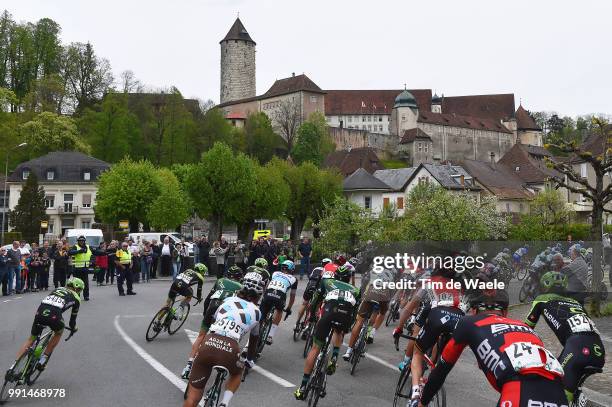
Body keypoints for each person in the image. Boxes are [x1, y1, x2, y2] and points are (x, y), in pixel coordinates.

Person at [418, 289, 568, 407]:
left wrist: (423, 402)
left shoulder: (467, 322)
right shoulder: (526, 328)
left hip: (516, 390)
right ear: (505, 312)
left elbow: (441, 371)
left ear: (474, 311)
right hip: (559, 392)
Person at [184, 274, 265, 407]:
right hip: (231, 349)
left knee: (192, 399)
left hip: (209, 343)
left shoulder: (227, 300)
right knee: (238, 373)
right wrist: (250, 360)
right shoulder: (257, 312)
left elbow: (213, 320)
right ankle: (224, 403)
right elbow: (254, 340)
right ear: (258, 296)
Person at [525, 271, 606, 403]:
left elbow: (526, 328)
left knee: (556, 389)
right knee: (568, 385)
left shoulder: (541, 298)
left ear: (545, 285)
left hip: (577, 348)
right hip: (598, 349)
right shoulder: (575, 303)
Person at [294, 264, 359, 400]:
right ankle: (334, 358)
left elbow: (315, 301)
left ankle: (303, 387)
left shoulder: (326, 282)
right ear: (348, 279)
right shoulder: (355, 290)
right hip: (345, 316)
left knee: (316, 347)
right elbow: (354, 314)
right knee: (339, 331)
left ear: (335, 276)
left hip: (329, 314)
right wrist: (347, 328)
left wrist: (311, 315)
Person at [408, 266, 467, 407]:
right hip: (460, 320)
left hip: (438, 314)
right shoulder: (460, 287)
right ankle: (431, 382)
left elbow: (410, 306)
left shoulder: (431, 282)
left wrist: (399, 328)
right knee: (442, 363)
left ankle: (416, 395)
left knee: (417, 353)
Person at [7, 277, 83, 376]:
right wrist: (73, 328)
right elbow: (72, 321)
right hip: (54, 316)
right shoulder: (76, 298)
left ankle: (12, 367)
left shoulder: (58, 289)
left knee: (31, 339)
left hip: (40, 312)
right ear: (77, 288)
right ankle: (42, 361)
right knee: (59, 331)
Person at [181, 264, 242, 379]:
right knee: (223, 339)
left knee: (201, 336)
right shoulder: (240, 286)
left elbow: (208, 299)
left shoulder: (220, 280)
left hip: (212, 308)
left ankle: (188, 366)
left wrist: (206, 313)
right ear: (239, 277)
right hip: (224, 313)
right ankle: (219, 368)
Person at [343, 265, 398, 361]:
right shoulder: (391, 273)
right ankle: (371, 332)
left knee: (359, 321)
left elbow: (364, 283)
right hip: (384, 294)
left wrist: (362, 295)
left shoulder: (374, 270)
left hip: (371, 292)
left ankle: (348, 351)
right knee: (381, 313)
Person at [260, 260, 298, 345]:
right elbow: (292, 296)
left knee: (263, 313)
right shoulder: (294, 279)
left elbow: (266, 287)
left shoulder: (275, 273)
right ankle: (270, 336)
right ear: (292, 269)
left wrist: (264, 297)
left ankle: (260, 325)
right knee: (279, 311)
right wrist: (288, 308)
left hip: (268, 293)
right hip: (280, 296)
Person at [67, 235, 104, 301]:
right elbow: (70, 252)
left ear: (84, 241)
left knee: (85, 283)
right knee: (76, 284)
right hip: (77, 269)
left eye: (82, 241)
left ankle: (86, 296)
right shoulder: (75, 247)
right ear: (78, 241)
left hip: (85, 268)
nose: (81, 242)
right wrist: (79, 251)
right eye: (80, 241)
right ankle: (76, 296)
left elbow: (95, 252)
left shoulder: (88, 247)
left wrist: (103, 253)